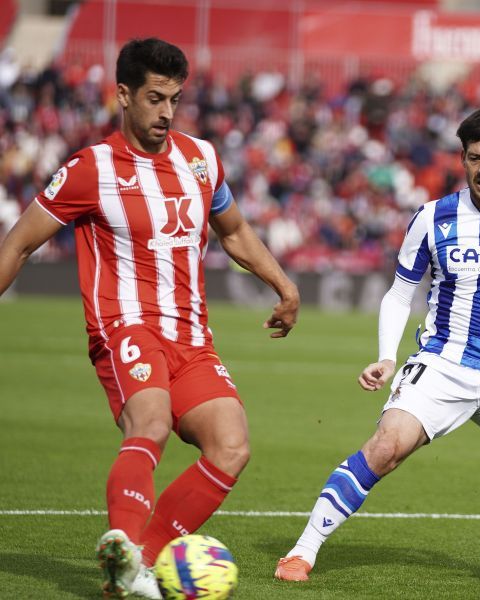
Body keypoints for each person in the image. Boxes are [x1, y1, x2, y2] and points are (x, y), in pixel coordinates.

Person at [0, 38, 300, 599]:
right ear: (123, 95)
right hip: (126, 327)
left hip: (191, 337)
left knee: (231, 446)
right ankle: (126, 546)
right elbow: (17, 244)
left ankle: (134, 564)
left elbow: (233, 231)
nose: (166, 112)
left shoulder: (201, 158)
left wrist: (282, 284)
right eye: (155, 98)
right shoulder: (90, 169)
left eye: (175, 99)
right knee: (152, 424)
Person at [274, 103, 480, 585]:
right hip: (442, 365)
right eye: (474, 158)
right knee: (385, 448)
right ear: (462, 159)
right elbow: (401, 292)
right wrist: (386, 355)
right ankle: (302, 551)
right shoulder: (432, 218)